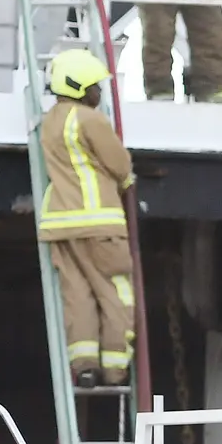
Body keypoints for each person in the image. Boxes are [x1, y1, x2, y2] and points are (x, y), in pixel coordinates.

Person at [37, 49, 136, 387]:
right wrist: (127, 180)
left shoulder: (49, 122)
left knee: (77, 295)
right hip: (100, 223)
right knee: (116, 293)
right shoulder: (90, 120)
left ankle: (85, 367)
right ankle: (115, 368)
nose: (100, 92)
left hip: (59, 226)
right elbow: (119, 164)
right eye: (95, 86)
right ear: (79, 87)